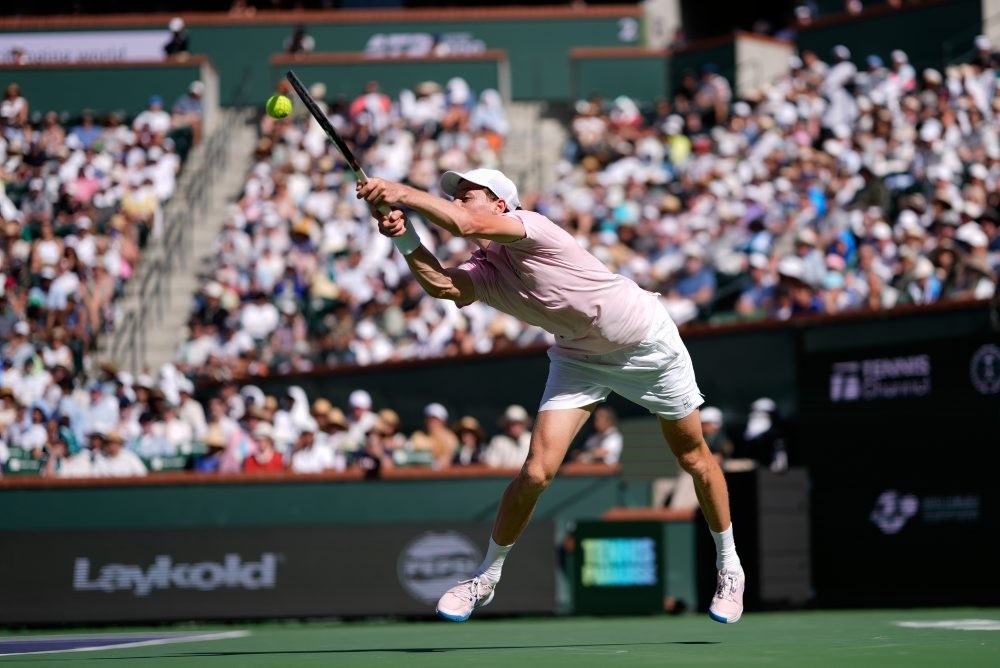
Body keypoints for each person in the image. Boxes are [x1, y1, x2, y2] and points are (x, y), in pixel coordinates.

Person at [358, 168, 744, 624]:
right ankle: (486, 577)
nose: (459, 203)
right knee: (537, 471)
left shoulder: (533, 227)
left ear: (501, 205)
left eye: (467, 195)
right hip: (579, 357)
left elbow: (464, 224)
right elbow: (442, 285)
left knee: (693, 456)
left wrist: (401, 193)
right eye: (455, 197)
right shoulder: (486, 270)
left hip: (647, 344)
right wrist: (405, 237)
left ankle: (729, 565)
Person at [482, 404, 532, 468]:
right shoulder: (498, 441)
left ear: (524, 424)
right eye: (511, 424)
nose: (514, 427)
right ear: (505, 424)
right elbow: (490, 465)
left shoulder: (532, 439)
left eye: (518, 423)